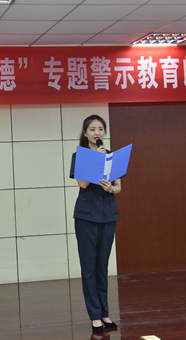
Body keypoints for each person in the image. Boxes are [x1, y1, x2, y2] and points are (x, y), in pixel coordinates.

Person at [69, 114, 122, 333]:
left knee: (102, 265)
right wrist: (96, 161)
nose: (97, 133)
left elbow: (118, 187)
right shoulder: (79, 155)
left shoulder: (112, 156)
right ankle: (95, 316)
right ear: (85, 133)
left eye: (100, 129)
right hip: (86, 215)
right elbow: (82, 184)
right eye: (92, 129)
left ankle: (105, 313)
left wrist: (112, 188)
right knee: (89, 265)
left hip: (108, 214)